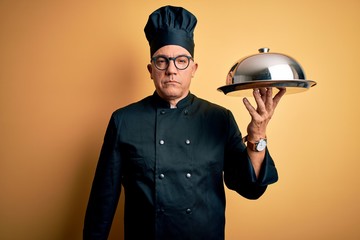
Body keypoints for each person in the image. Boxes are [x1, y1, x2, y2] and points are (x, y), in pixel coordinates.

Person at [83, 5, 286, 240]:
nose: (171, 70)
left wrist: (257, 134)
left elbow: (251, 189)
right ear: (151, 70)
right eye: (162, 61)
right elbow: (103, 201)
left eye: (181, 61)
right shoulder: (124, 120)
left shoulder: (219, 119)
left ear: (193, 69)